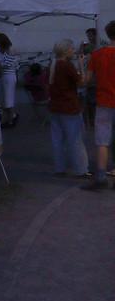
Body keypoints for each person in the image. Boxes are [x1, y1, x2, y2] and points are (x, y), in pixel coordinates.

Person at [80, 21, 115, 191]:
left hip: (104, 102)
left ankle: (101, 176)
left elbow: (86, 81)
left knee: (102, 141)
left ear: (108, 34)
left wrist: (81, 65)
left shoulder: (97, 54)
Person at [48, 40, 89, 178]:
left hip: (55, 106)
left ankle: (59, 168)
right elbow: (81, 82)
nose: (74, 51)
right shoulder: (67, 65)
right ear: (66, 51)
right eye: (72, 49)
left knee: (57, 140)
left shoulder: (53, 64)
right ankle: (81, 169)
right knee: (75, 139)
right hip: (69, 106)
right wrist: (81, 65)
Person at [0, 34, 19, 127]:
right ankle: (8, 118)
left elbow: (5, 64)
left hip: (9, 76)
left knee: (8, 99)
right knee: (4, 100)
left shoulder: (11, 50)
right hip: (4, 76)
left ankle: (11, 118)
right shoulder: (3, 51)